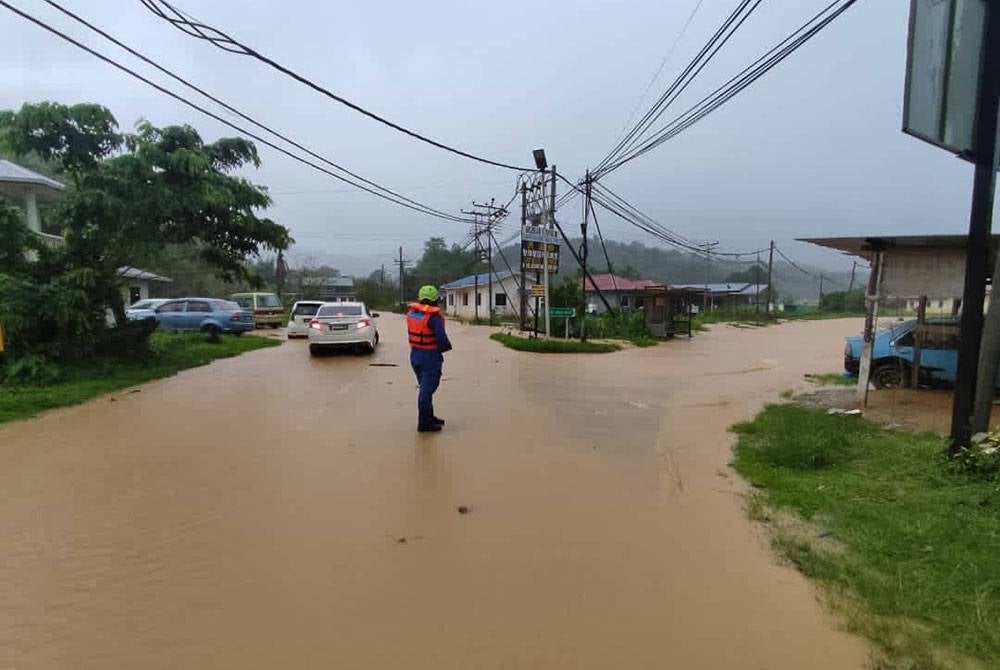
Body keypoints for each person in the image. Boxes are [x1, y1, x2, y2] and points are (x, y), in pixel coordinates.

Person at [407, 285, 452, 432]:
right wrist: (445, 349)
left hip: (415, 355)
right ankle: (424, 424)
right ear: (435, 300)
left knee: (425, 388)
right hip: (430, 357)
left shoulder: (412, 313)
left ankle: (429, 416)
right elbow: (442, 339)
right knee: (427, 390)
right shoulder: (434, 318)